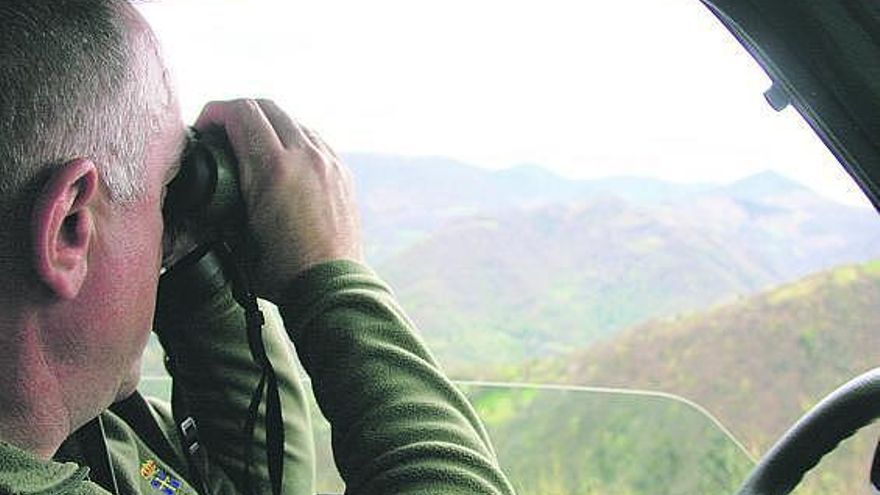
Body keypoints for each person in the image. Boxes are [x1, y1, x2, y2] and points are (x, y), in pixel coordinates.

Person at [0, 1, 516, 494]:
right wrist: (330, 277)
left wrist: (197, 278)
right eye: (165, 190)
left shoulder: (77, 434)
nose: (172, 214)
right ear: (70, 229)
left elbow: (243, 483)